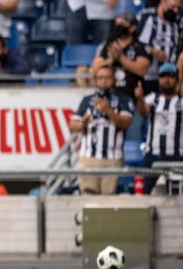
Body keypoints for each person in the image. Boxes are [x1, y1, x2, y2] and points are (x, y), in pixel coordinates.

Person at [69, 65, 134, 195]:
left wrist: (108, 111)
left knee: (107, 202)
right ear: (95, 80)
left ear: (114, 80)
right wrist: (83, 123)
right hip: (89, 157)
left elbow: (125, 124)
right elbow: (72, 124)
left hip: (112, 158)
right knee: (88, 199)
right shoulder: (87, 101)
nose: (104, 81)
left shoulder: (123, 100)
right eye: (100, 78)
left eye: (107, 77)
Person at [92, 12, 152, 141]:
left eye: (123, 24)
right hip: (109, 99)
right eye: (117, 23)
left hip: (132, 99)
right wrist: (110, 60)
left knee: (131, 138)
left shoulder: (140, 47)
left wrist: (121, 58)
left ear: (132, 28)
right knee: (106, 138)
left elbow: (142, 69)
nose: (119, 26)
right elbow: (95, 69)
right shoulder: (106, 46)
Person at [134, 63, 183, 195]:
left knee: (176, 196)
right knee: (141, 192)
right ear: (159, 80)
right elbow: (143, 112)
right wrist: (139, 99)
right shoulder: (152, 99)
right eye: (163, 76)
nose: (167, 80)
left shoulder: (181, 102)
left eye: (171, 76)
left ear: (177, 80)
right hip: (153, 155)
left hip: (176, 156)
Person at [137, 0, 181, 94]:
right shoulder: (146, 16)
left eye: (178, 8)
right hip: (147, 76)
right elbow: (133, 42)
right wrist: (151, 50)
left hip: (170, 76)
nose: (176, 11)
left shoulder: (178, 21)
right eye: (173, 7)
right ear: (163, 1)